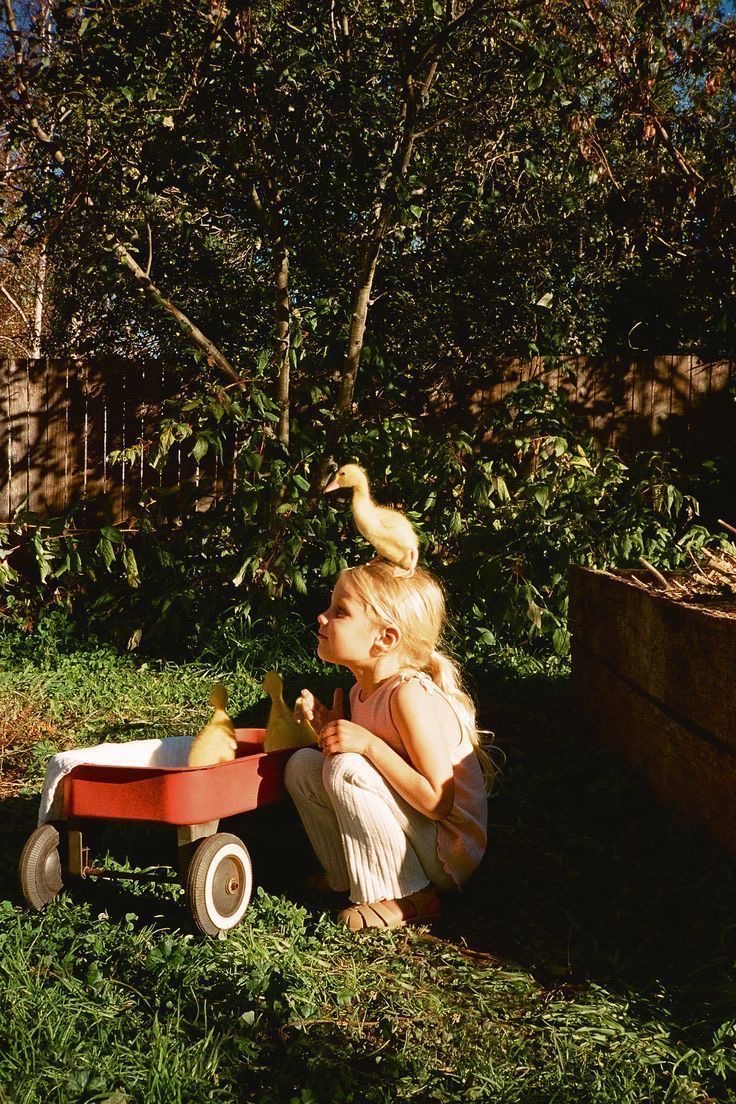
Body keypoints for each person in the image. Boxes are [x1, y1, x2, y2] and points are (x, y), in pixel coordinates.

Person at [285, 560, 490, 931]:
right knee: (302, 764)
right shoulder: (362, 691)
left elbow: (437, 802)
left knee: (346, 767)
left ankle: (413, 895)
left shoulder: (407, 694)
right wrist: (333, 733)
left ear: (385, 638)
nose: (322, 616)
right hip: (420, 831)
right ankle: (344, 876)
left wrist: (366, 746)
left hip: (448, 850)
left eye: (340, 611)